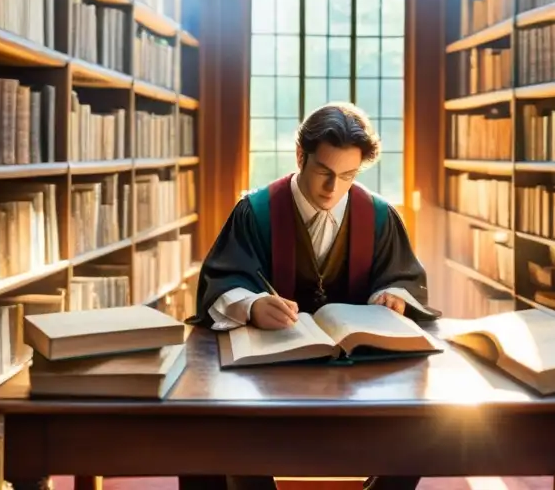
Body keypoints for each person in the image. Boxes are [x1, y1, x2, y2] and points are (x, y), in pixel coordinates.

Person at [179, 102, 438, 490]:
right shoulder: (256, 212)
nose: (333, 189)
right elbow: (221, 279)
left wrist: (393, 296)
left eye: (348, 175)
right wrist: (250, 305)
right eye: (324, 172)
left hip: (359, 374)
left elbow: (404, 279)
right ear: (301, 156)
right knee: (220, 426)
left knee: (426, 425)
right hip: (268, 373)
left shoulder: (380, 216)